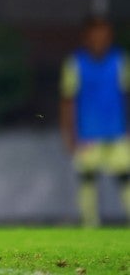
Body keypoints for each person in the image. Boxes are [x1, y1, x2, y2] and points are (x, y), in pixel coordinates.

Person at [59, 15, 130, 227]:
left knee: (124, 178)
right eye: (95, 36)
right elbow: (67, 100)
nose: (99, 40)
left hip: (116, 131)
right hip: (87, 133)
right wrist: (68, 133)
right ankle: (90, 225)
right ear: (86, 38)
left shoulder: (120, 61)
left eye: (104, 36)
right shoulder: (75, 63)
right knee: (87, 180)